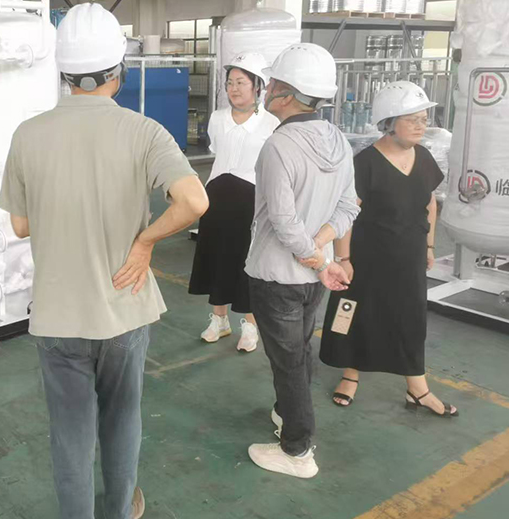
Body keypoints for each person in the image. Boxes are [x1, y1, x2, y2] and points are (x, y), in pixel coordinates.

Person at [0, 4, 208, 519]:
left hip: (58, 316)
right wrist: (145, 242)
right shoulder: (145, 132)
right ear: (119, 70)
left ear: (64, 72)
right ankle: (119, 509)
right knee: (121, 418)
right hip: (123, 309)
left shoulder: (28, 134)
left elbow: (20, 226)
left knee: (70, 432)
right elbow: (194, 202)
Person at [243, 43, 360, 479]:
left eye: (271, 82)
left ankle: (297, 450)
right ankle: (285, 411)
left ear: (286, 93)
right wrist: (322, 252)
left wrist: (317, 260)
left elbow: (283, 222)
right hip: (313, 278)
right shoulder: (338, 139)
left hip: (278, 277)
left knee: (288, 362)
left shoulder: (279, 146)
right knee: (299, 352)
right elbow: (348, 205)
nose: (265, 89)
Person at [319, 81, 457, 417]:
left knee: (410, 318)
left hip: (409, 256)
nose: (421, 126)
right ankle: (350, 374)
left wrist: (429, 245)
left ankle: (417, 388)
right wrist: (344, 258)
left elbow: (429, 204)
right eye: (412, 119)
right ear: (389, 122)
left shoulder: (424, 157)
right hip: (366, 259)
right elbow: (346, 215)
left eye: (424, 119)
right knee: (357, 313)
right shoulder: (365, 163)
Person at [190, 52, 279, 351]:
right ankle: (219, 319)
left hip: (251, 203)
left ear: (258, 86)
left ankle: (250, 325)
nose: (234, 88)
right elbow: (218, 152)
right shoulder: (217, 118)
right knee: (216, 258)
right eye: (230, 82)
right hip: (216, 199)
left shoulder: (271, 123)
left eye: (241, 82)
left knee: (246, 261)